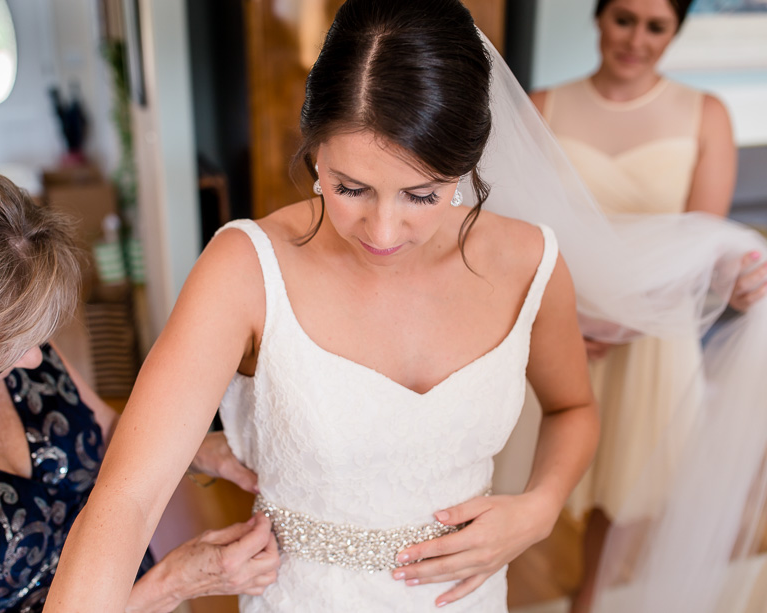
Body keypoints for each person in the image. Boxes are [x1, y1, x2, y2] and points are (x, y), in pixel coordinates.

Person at [46, 1, 601, 611]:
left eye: (422, 194)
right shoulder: (244, 269)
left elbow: (573, 408)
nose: (383, 231)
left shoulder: (532, 262)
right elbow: (125, 502)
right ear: (314, 153)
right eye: (350, 188)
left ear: (467, 165)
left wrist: (540, 509)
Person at [0, 166, 279, 612]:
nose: (34, 358)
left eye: (34, 336)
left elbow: (107, 430)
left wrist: (204, 451)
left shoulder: (14, 338)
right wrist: (170, 584)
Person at [529, 2, 767, 610]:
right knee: (532, 471)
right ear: (598, 19)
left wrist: (736, 281)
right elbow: (523, 232)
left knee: (626, 483)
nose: (636, 39)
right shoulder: (543, 106)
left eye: (655, 25)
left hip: (652, 335)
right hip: (561, 327)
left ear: (674, 33)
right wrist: (566, 324)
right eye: (623, 19)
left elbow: (702, 241)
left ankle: (590, 595)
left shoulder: (705, 114)